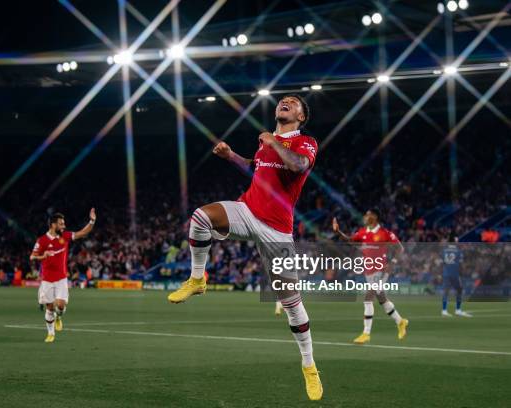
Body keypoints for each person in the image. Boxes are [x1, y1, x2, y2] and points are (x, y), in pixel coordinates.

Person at [167, 94, 323, 401]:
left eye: (292, 102)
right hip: (247, 209)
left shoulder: (305, 142)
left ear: (302, 116)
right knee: (200, 218)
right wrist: (231, 156)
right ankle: (198, 279)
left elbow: (297, 167)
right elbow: (256, 169)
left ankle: (309, 365)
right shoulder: (267, 143)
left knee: (291, 303)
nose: (284, 103)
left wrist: (273, 141)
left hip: (277, 229)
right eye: (283, 100)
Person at [332, 209, 409, 344]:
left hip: (381, 270)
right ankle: (400, 321)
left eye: (367, 215)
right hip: (369, 271)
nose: (365, 217)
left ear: (375, 217)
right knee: (382, 300)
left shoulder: (385, 233)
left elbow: (400, 248)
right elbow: (350, 240)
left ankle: (366, 333)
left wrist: (393, 263)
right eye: (365, 214)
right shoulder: (363, 232)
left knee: (368, 298)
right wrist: (338, 232)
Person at [30, 209, 96, 343]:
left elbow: (82, 233)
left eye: (63, 224)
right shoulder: (42, 241)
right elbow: (32, 256)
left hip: (61, 278)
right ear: (53, 225)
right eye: (61, 224)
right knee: (49, 307)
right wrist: (44, 255)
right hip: (47, 280)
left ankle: (58, 317)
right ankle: (50, 333)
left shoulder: (64, 236)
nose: (64, 226)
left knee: (60, 305)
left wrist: (92, 221)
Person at [441, 236, 471, 317]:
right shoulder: (458, 251)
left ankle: (444, 310)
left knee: (446, 292)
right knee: (459, 290)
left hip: (446, 273)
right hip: (454, 273)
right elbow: (461, 264)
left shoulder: (444, 251)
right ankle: (458, 310)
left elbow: (443, 262)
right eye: (457, 241)